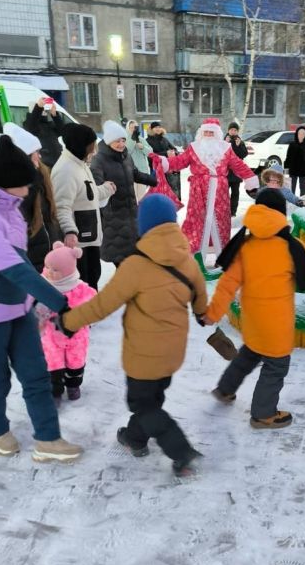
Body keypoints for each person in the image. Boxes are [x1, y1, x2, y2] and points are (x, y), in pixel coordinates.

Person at [0, 135, 83, 462]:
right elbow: (13, 268)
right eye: (25, 184)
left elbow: (22, 261)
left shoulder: (8, 207)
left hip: (16, 308)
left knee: (36, 374)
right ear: (8, 184)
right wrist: (60, 302)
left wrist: (40, 299)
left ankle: (48, 439)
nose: (29, 189)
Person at [60, 194, 208, 477]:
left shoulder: (135, 266)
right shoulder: (186, 260)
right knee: (152, 400)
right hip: (173, 352)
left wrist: (69, 321)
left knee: (142, 403)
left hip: (143, 356)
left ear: (144, 226)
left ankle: (181, 451)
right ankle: (135, 437)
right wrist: (201, 313)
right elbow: (199, 294)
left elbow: (102, 306)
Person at [205, 189, 305, 428]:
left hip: (252, 320)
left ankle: (225, 390)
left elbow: (227, 285)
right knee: (275, 367)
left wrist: (212, 314)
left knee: (248, 355)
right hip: (277, 326)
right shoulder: (292, 246)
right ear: (281, 214)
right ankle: (263, 413)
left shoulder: (245, 245)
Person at [150, 118, 259, 267]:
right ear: (201, 132)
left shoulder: (226, 149)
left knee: (220, 220)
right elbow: (180, 161)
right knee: (197, 220)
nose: (208, 134)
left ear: (217, 134)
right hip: (198, 191)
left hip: (219, 191)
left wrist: (250, 178)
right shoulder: (194, 147)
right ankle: (196, 254)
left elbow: (238, 165)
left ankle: (222, 256)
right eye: (206, 131)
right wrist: (165, 162)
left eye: (211, 132)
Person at [51, 123, 116, 290]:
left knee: (93, 277)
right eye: (91, 147)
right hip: (77, 242)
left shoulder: (79, 164)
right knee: (83, 283)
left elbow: (87, 193)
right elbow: (61, 206)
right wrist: (69, 231)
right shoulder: (65, 170)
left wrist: (105, 190)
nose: (93, 151)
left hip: (89, 236)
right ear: (79, 145)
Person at [91, 120, 156, 268]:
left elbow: (135, 174)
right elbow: (96, 186)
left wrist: (155, 180)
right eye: (117, 141)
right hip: (113, 219)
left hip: (131, 215)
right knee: (122, 263)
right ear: (108, 141)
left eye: (123, 140)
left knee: (135, 261)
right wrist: (104, 187)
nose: (121, 144)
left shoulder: (125, 156)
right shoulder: (99, 160)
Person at [39, 241, 96, 401]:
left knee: (76, 361)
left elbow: (95, 304)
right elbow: (33, 304)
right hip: (50, 335)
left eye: (55, 270)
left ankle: (73, 385)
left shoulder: (81, 290)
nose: (49, 272)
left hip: (76, 336)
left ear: (67, 272)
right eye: (47, 267)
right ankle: (55, 391)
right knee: (52, 363)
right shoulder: (42, 285)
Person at [4, 122, 62, 272]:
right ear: (26, 154)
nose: (40, 155)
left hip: (47, 245)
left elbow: (48, 213)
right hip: (31, 250)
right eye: (36, 152)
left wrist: (56, 239)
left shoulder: (41, 174)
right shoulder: (16, 185)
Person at [23, 96, 65, 168]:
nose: (44, 111)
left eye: (44, 109)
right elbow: (32, 127)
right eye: (42, 109)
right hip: (44, 164)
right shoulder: (29, 125)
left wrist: (55, 115)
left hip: (57, 162)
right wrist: (38, 108)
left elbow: (62, 131)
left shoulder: (48, 124)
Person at [146, 121, 181, 200]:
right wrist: (166, 153)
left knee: (171, 191)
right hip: (156, 170)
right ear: (151, 129)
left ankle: (172, 207)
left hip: (169, 170)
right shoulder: (148, 141)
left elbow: (174, 149)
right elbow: (151, 155)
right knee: (159, 192)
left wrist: (174, 152)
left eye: (159, 127)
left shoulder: (164, 139)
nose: (158, 129)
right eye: (155, 127)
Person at [225, 122, 249, 217]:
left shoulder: (240, 141)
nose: (233, 131)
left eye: (235, 130)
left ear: (237, 131)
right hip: (225, 172)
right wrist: (225, 144)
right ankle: (224, 210)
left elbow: (243, 155)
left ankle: (233, 211)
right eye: (231, 130)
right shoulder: (224, 141)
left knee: (235, 193)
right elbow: (220, 155)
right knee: (224, 194)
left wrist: (238, 146)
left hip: (236, 173)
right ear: (228, 130)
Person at [125, 119, 152, 203]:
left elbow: (150, 152)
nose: (133, 129)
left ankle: (141, 213)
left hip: (142, 171)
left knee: (142, 196)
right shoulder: (125, 139)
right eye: (131, 127)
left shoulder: (141, 139)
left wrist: (143, 147)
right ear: (128, 128)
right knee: (132, 195)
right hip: (130, 172)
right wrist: (133, 140)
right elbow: (127, 151)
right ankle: (134, 214)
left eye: (135, 127)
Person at [283, 126, 305, 195]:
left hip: (303, 169)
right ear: (297, 134)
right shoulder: (292, 144)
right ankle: (292, 198)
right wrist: (286, 167)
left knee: (302, 186)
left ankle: (302, 199)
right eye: (300, 133)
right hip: (293, 168)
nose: (301, 135)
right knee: (292, 185)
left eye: (303, 134)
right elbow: (288, 156)